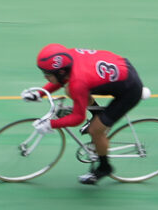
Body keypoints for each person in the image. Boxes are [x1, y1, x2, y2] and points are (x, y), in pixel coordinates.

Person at [22, 43, 145, 186]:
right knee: (71, 90)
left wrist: (51, 124)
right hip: (121, 68)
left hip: (129, 90)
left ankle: (104, 167)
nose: (45, 77)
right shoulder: (68, 59)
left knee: (95, 130)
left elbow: (78, 118)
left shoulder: (77, 81)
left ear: (61, 72)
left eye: (47, 74)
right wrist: (40, 93)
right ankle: (96, 114)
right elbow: (61, 80)